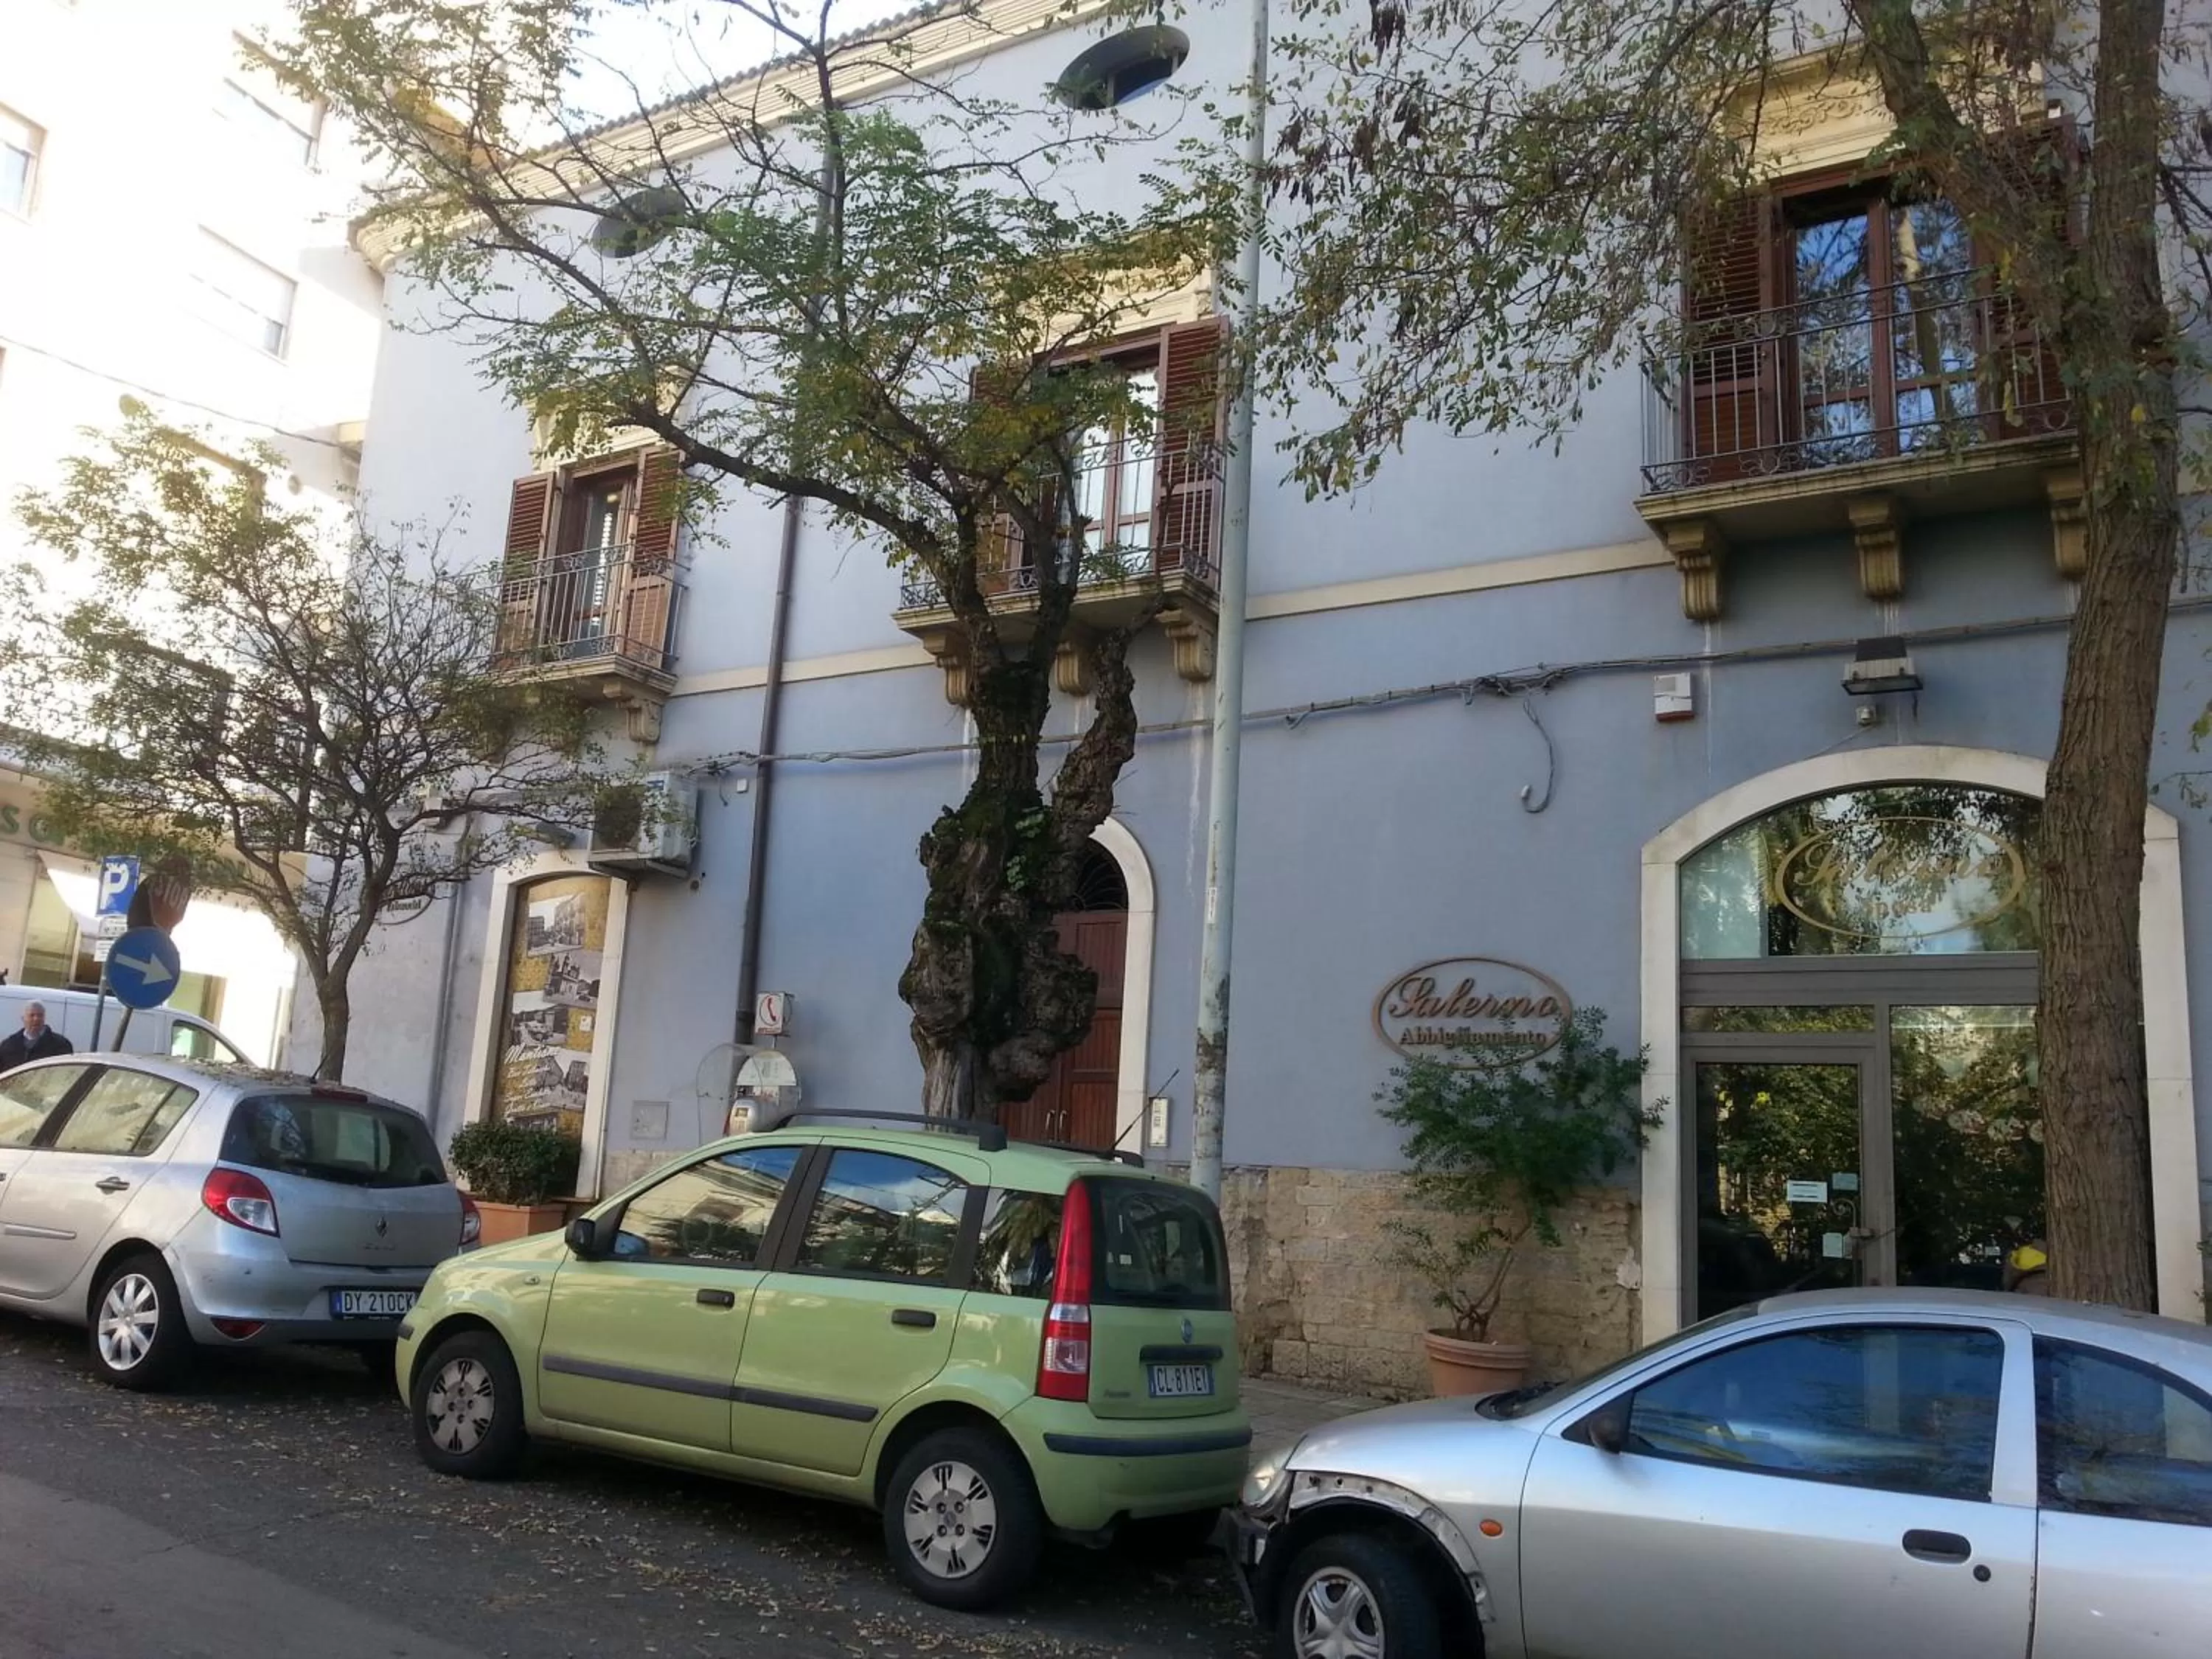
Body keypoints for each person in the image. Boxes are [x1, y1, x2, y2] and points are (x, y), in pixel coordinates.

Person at [0, 1002, 74, 1074]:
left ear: (44, 1018)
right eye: (32, 1015)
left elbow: (66, 1073)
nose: (36, 1019)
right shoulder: (8, 1045)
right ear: (23, 1019)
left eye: (40, 1015)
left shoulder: (61, 1045)